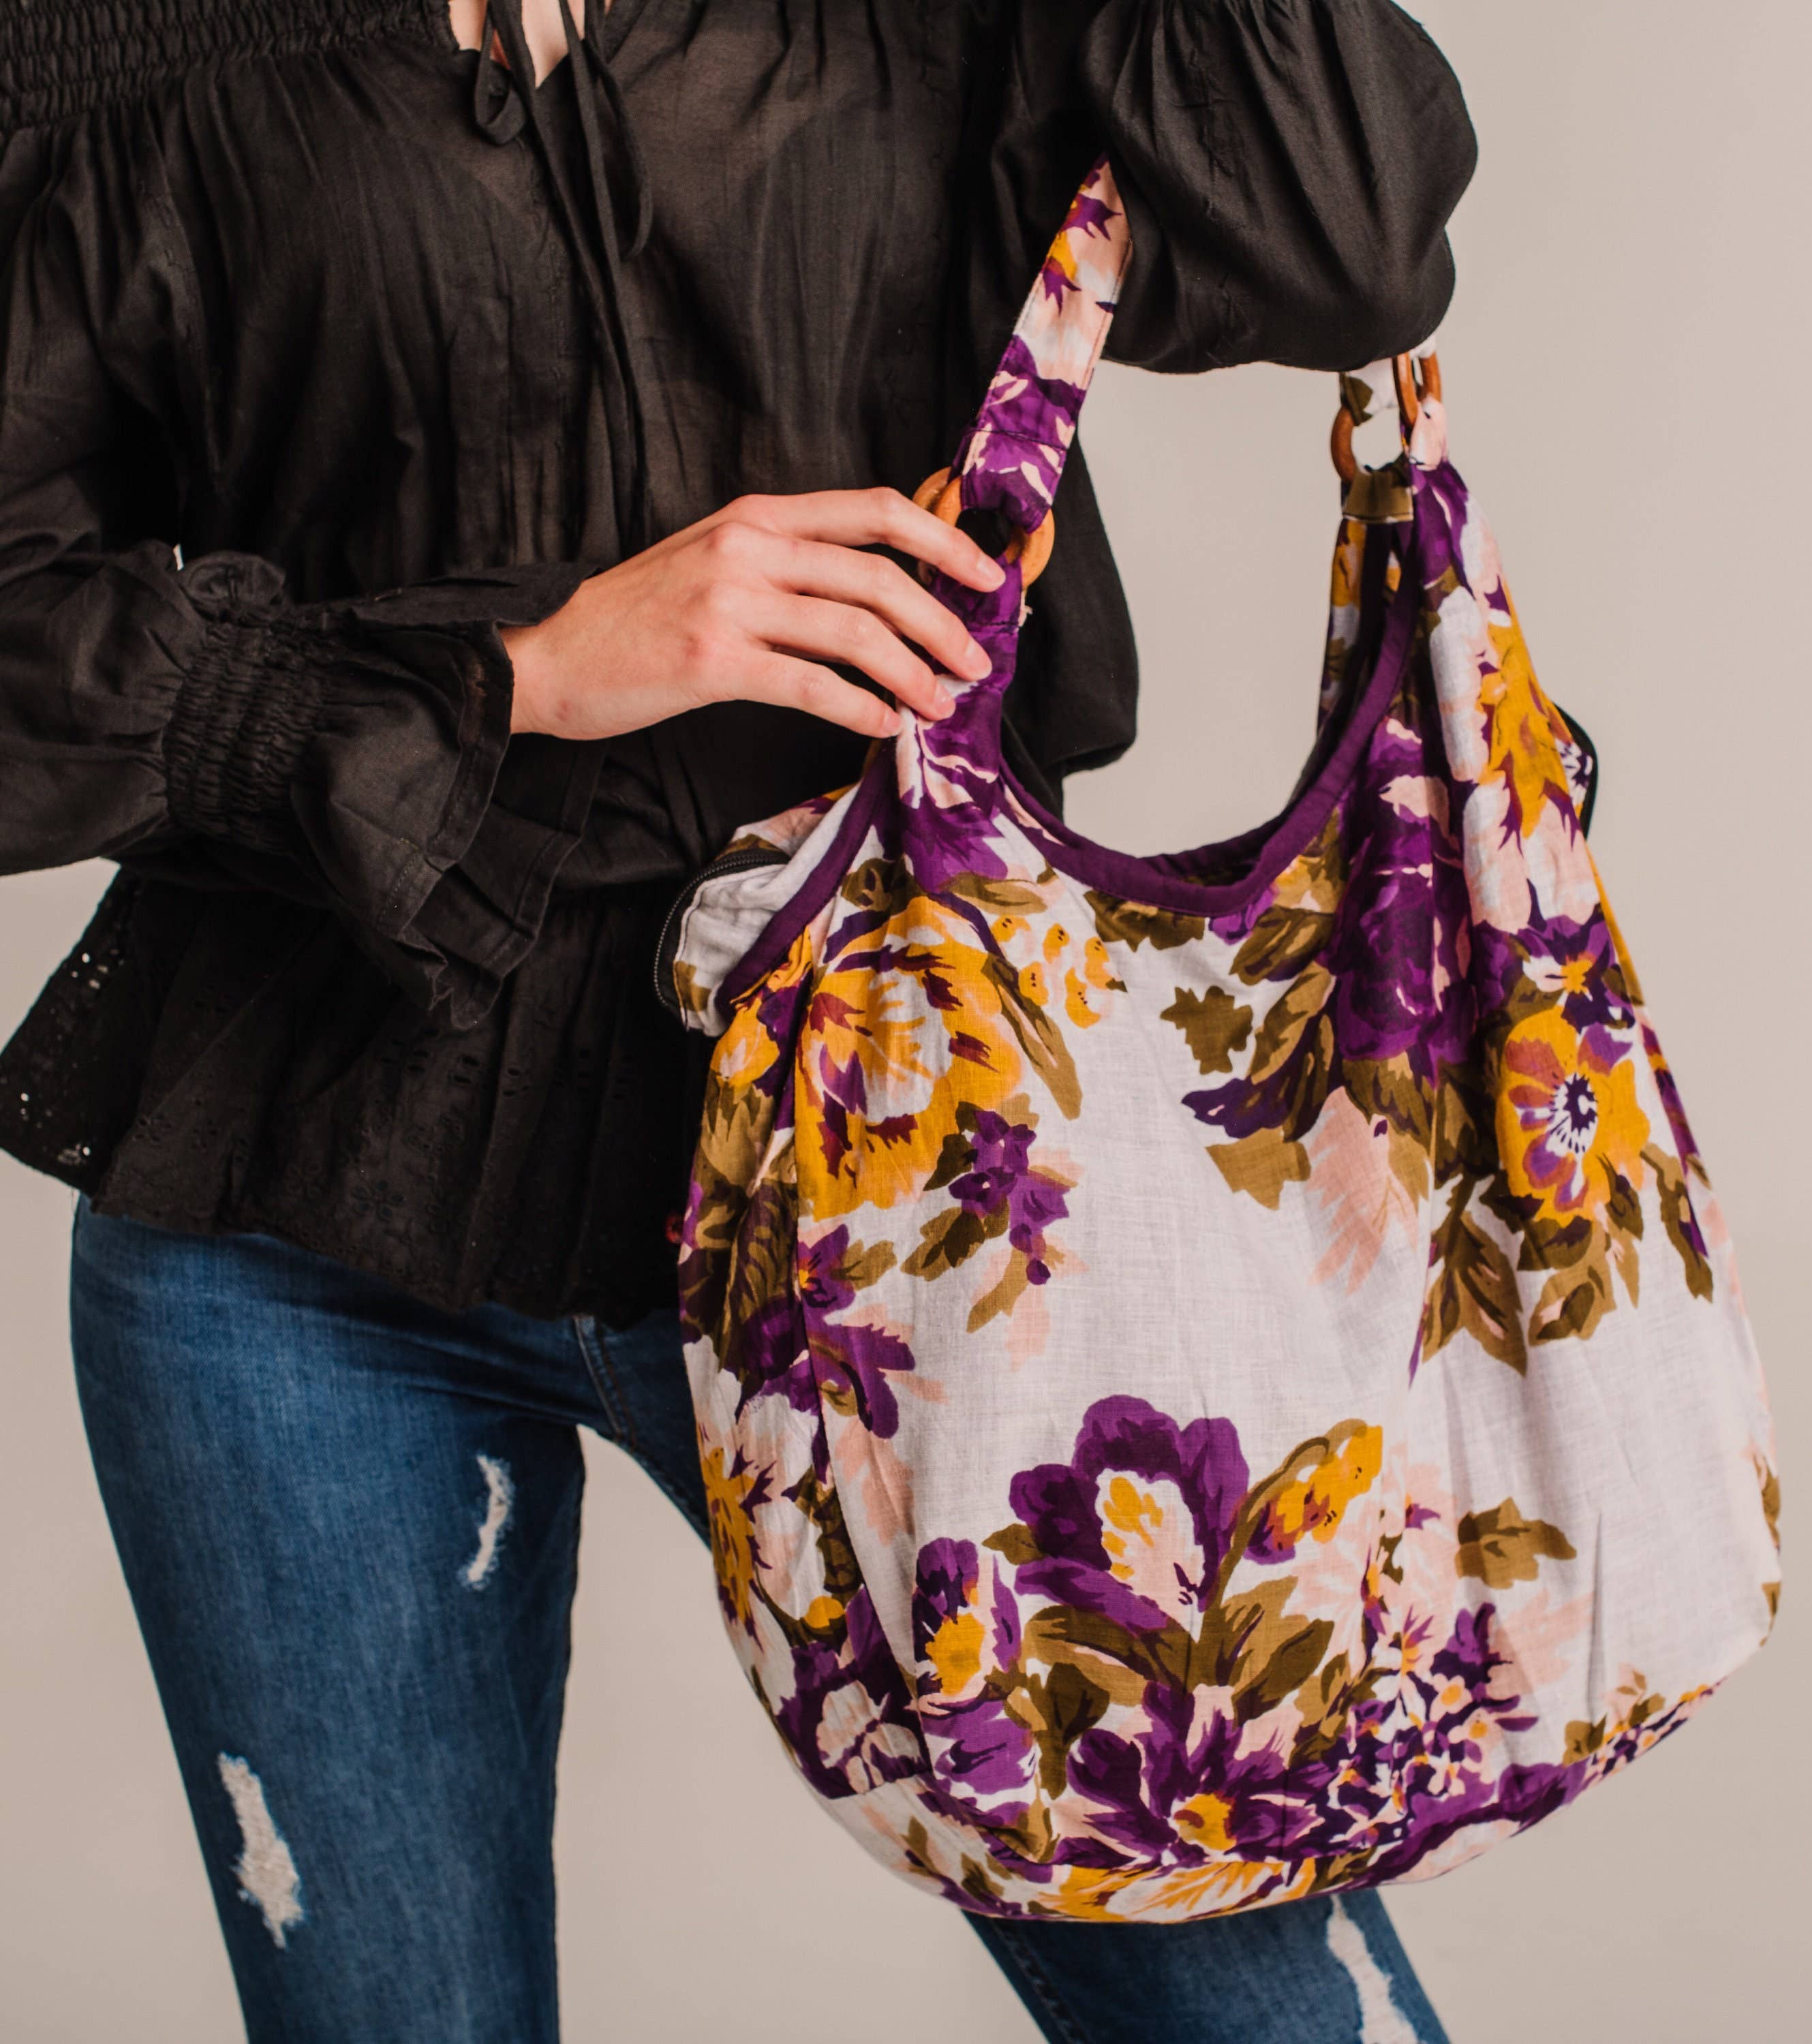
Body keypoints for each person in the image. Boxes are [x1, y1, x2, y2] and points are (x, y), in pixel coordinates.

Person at [0, 2, 1476, 2037]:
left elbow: (1353, 235)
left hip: (916, 1203)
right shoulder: (111, 36)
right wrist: (518, 670)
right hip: (293, 1226)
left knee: (1254, 2002)